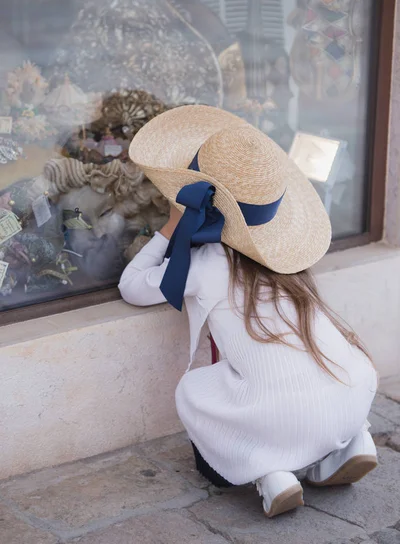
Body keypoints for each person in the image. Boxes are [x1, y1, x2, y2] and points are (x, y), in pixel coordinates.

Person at [119, 105, 378, 518]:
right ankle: (351, 442)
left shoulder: (205, 266)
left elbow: (132, 286)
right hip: (354, 392)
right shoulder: (293, 267)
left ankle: (268, 470)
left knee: (195, 389)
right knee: (307, 377)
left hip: (280, 416)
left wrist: (170, 227)